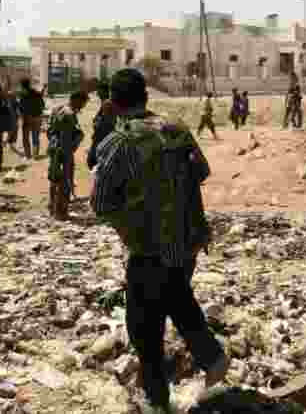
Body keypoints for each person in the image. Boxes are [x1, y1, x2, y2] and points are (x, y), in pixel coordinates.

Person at [90, 69, 228, 410]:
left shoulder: (119, 142)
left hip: (149, 249)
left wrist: (133, 218)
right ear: (146, 97)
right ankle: (209, 358)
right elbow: (203, 172)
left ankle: (158, 398)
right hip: (187, 242)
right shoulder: (176, 129)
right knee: (174, 296)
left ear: (113, 102)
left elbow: (101, 202)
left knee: (144, 325)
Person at [47, 91, 88, 220]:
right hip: (64, 151)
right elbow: (67, 137)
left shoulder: (57, 109)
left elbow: (49, 131)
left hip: (54, 149)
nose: (83, 106)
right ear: (77, 100)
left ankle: (53, 208)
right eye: (83, 103)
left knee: (54, 178)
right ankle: (61, 212)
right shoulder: (69, 115)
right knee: (65, 181)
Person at [17, 78, 46, 159]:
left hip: (27, 118)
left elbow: (21, 107)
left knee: (25, 138)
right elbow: (41, 95)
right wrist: (43, 88)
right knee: (35, 137)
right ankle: (35, 155)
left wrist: (21, 116)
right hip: (37, 117)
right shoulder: (34, 92)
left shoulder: (22, 94)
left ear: (22, 85)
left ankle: (28, 155)